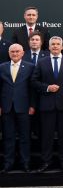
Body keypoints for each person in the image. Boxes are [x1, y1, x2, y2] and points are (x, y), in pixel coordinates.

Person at [31, 36, 63, 173]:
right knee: (47, 136)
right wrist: (47, 87)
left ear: (62, 47)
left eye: (58, 44)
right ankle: (46, 162)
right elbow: (34, 81)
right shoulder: (41, 62)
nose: (56, 46)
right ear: (49, 47)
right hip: (47, 105)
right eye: (53, 44)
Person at [0, 44, 35, 173]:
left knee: (25, 137)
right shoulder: (2, 67)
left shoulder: (30, 67)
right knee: (8, 137)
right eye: (12, 52)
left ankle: (25, 163)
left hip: (24, 107)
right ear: (9, 53)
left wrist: (32, 105)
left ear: (22, 53)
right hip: (6, 108)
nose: (15, 54)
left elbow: (33, 88)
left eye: (17, 51)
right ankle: (8, 164)